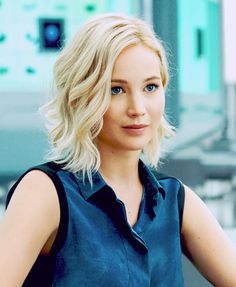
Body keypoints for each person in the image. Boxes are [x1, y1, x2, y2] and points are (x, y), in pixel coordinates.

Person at [0, 13, 236, 287]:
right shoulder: (45, 192)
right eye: (116, 90)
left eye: (150, 87)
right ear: (82, 95)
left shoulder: (176, 201)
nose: (138, 108)